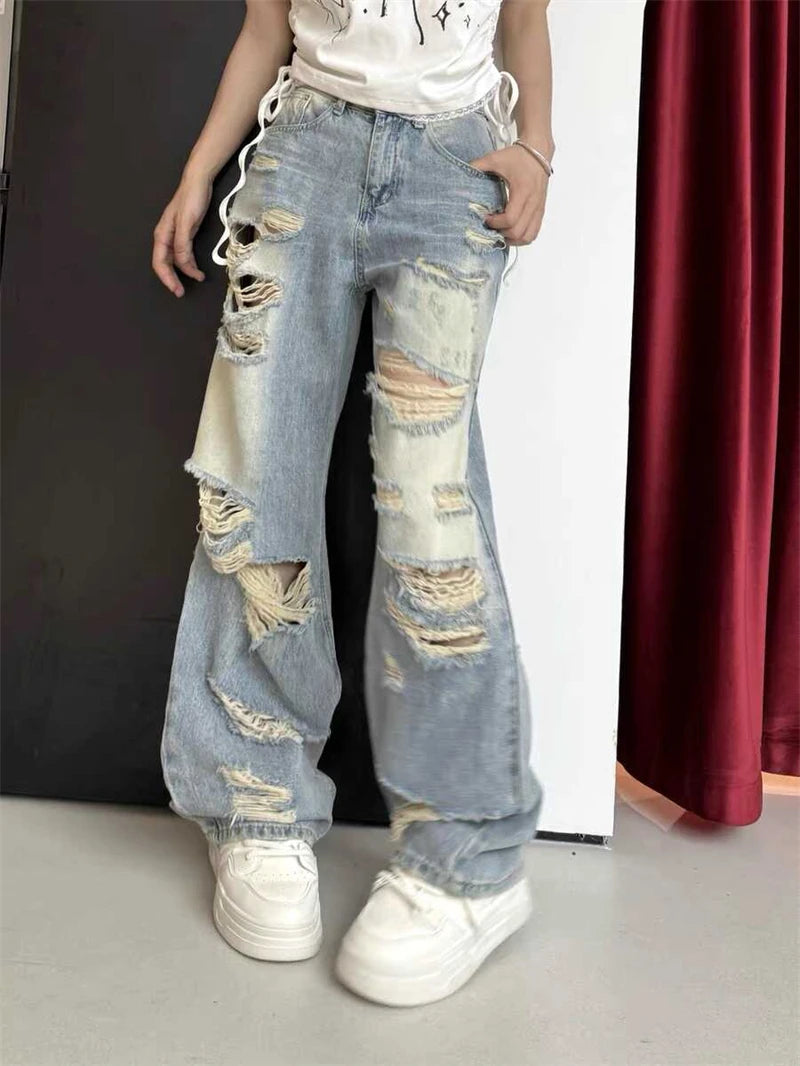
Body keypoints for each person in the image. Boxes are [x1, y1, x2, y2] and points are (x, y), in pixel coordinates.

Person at [152, 0, 554, 1007]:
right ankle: (256, 802)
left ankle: (466, 857)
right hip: (306, 150)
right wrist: (201, 171)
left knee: (429, 504)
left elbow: (525, 16)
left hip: (453, 164)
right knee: (254, 481)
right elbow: (266, 27)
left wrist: (537, 149)